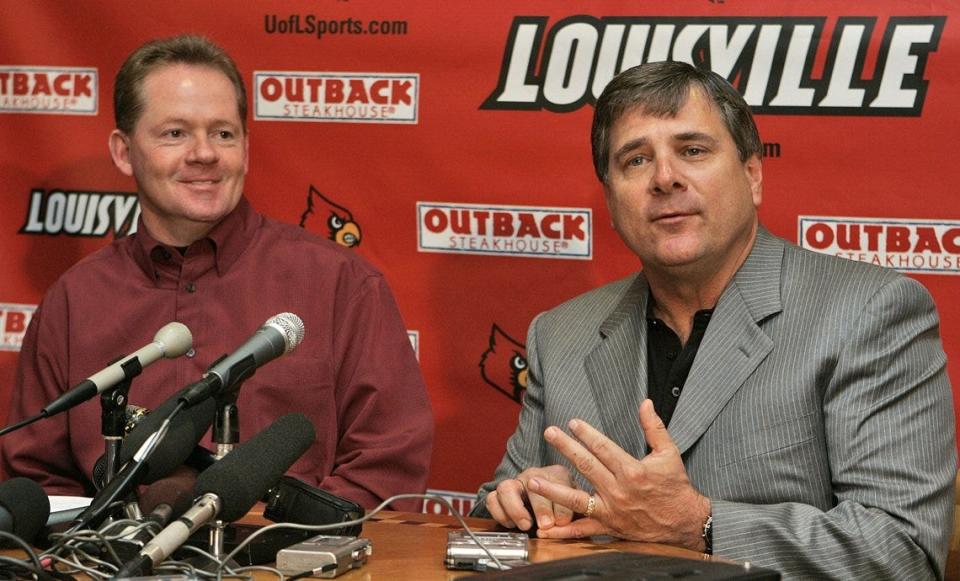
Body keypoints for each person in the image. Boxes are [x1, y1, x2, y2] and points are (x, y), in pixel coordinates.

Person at [473, 61, 956, 579]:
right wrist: (520, 506)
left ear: (752, 176)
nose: (664, 178)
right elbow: (489, 516)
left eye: (693, 151)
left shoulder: (869, 312)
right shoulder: (561, 333)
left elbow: (900, 550)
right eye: (635, 160)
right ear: (611, 201)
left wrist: (699, 523)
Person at [1, 34, 433, 512]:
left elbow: (387, 465)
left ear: (245, 149)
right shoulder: (73, 301)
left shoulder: (341, 284)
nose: (204, 153)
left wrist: (282, 548)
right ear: (124, 152)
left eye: (223, 133)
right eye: (175, 133)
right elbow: (38, 484)